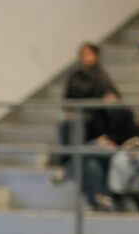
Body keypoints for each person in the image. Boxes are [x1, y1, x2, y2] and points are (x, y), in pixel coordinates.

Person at [49, 42, 120, 186]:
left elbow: (115, 95)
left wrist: (111, 98)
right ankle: (66, 157)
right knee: (65, 122)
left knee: (78, 123)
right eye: (83, 55)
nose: (85, 58)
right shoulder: (75, 76)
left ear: (96, 56)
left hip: (96, 117)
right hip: (77, 115)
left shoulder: (102, 76)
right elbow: (67, 99)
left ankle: (66, 165)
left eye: (88, 54)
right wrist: (68, 110)